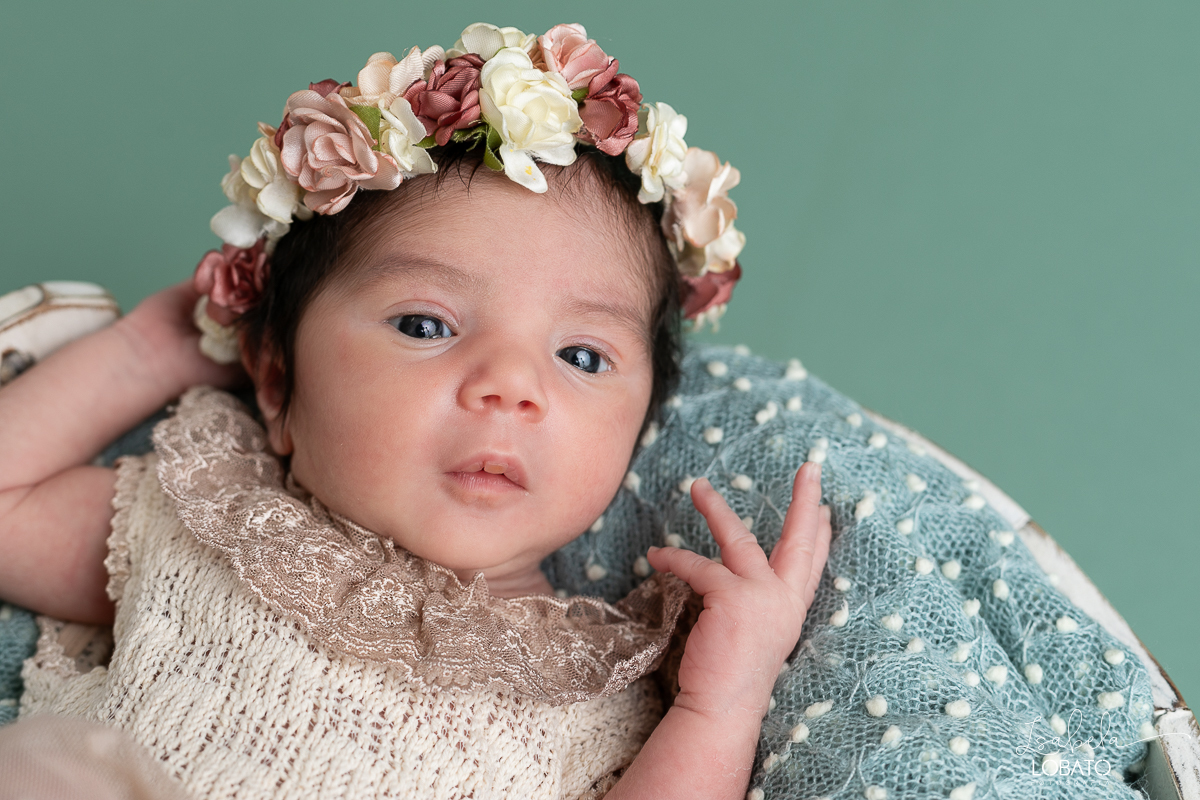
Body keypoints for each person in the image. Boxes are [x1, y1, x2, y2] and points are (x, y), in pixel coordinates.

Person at [0, 22, 832, 800]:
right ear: (278, 384)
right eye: (425, 326)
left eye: (582, 357)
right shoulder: (214, 524)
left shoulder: (599, 684)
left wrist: (722, 703)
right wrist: (148, 349)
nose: (509, 386)